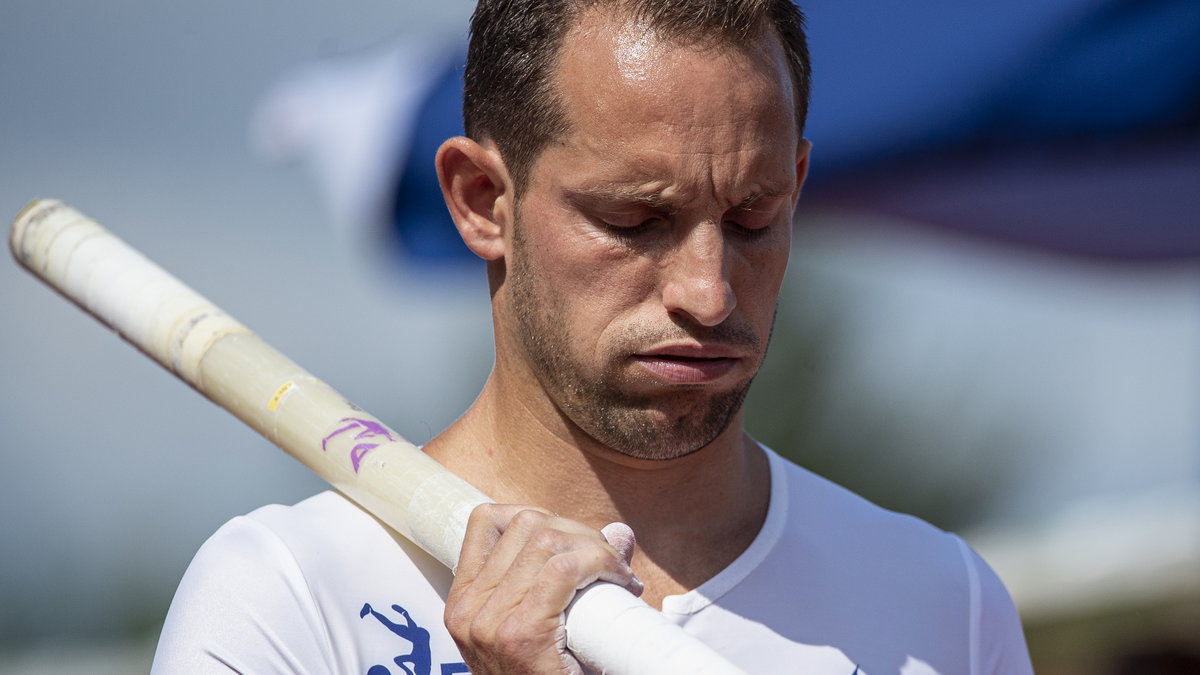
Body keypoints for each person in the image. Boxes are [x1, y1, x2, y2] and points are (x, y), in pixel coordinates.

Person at [152, 1, 1034, 673]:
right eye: (634, 219)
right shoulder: (288, 597)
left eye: (753, 216)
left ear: (796, 182)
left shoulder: (940, 605)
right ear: (480, 200)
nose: (708, 289)